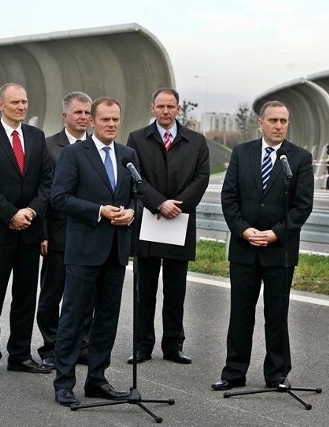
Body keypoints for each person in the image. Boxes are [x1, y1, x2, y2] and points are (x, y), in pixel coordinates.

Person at [212, 100, 314, 391]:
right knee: (240, 313)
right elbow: (229, 198)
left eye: (284, 121)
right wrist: (244, 230)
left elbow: (302, 206)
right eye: (273, 121)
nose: (279, 126)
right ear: (261, 123)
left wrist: (275, 234)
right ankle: (234, 372)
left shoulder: (299, 158)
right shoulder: (242, 153)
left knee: (276, 314)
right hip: (244, 248)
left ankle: (277, 374)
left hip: (279, 250)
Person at [51, 97, 138, 407]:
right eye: (105, 120)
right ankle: (64, 383)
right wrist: (99, 210)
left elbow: (135, 197)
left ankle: (97, 379)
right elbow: (59, 197)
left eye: (116, 119)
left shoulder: (128, 155)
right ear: (92, 121)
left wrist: (131, 212)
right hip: (84, 250)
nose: (112, 124)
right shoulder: (75, 154)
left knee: (107, 320)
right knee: (73, 318)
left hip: (116, 250)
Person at [0, 83, 53, 378]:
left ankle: (19, 354)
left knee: (26, 296)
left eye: (25, 101)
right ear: (0, 105)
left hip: (30, 230)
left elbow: (47, 181)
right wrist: (11, 214)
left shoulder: (36, 136)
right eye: (15, 102)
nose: (21, 106)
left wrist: (30, 212)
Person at [125, 87, 209, 365]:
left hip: (180, 222)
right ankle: (142, 345)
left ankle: (174, 345)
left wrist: (179, 204)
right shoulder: (137, 139)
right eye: (160, 106)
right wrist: (159, 203)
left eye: (170, 107)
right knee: (144, 290)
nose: (165, 111)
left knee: (176, 289)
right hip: (150, 221)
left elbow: (201, 177)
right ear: (152, 108)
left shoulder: (195, 141)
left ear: (179, 109)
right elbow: (135, 177)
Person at [37, 91, 94, 370]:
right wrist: (43, 233)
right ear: (65, 116)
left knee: (85, 294)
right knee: (52, 292)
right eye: (78, 112)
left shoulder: (99, 147)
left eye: (87, 113)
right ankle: (51, 346)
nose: (83, 117)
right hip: (58, 233)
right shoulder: (47, 147)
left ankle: (81, 345)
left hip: (89, 234)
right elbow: (44, 193)